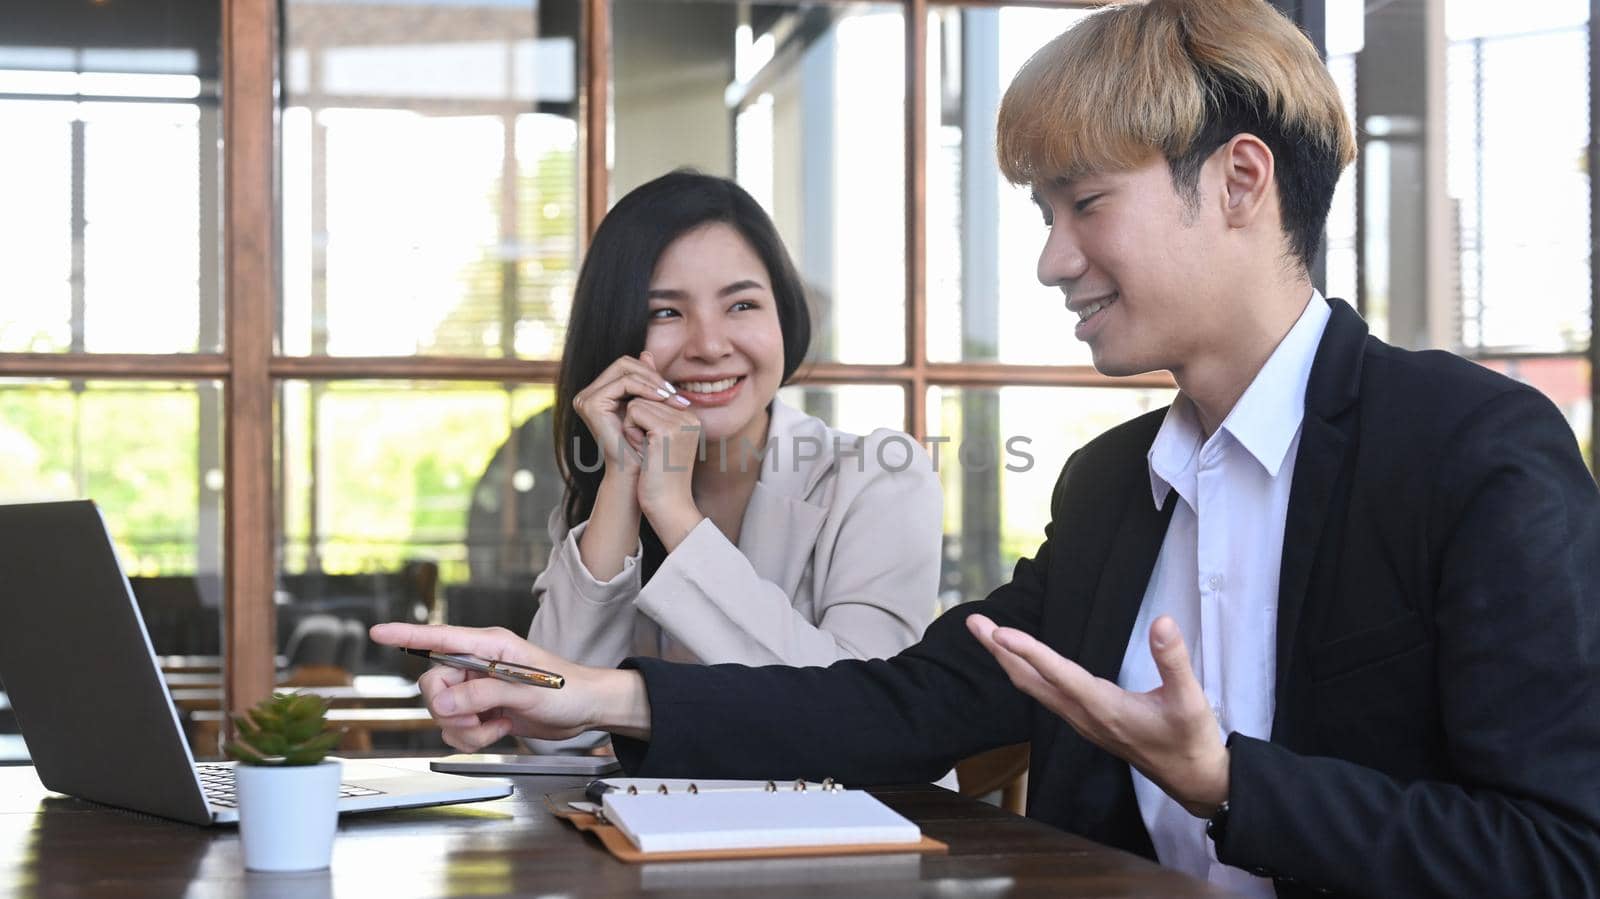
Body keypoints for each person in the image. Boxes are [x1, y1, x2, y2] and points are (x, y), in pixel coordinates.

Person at [373, 2, 1600, 895]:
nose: (1051, 260)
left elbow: (1560, 852)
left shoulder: (1467, 448)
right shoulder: (1118, 481)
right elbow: (908, 705)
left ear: (1237, 182)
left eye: (1083, 204)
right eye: (1041, 214)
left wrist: (1229, 781)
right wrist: (572, 691)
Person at [517, 171, 943, 752]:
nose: (710, 345)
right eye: (666, 312)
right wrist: (624, 477)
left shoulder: (880, 476)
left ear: (782, 315)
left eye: (741, 304)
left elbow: (860, 715)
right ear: (617, 331)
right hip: (656, 833)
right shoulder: (600, 500)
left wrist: (673, 511)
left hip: (861, 829)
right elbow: (552, 734)